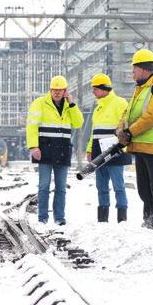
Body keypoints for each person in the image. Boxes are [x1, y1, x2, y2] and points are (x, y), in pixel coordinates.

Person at [117, 49, 153, 234]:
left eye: (134, 68)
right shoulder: (140, 90)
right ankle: (150, 221)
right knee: (144, 189)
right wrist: (121, 128)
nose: (132, 72)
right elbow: (129, 113)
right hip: (139, 145)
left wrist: (130, 131)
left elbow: (152, 116)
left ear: (142, 68)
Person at [25, 75, 84, 225]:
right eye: (54, 90)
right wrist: (33, 146)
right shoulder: (39, 103)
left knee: (61, 187)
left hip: (63, 150)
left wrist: (72, 104)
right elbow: (32, 126)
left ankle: (59, 218)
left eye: (60, 90)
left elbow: (78, 123)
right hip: (44, 150)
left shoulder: (69, 106)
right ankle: (42, 218)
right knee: (44, 186)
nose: (57, 93)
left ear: (65, 91)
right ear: (50, 90)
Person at [86, 73, 131, 223]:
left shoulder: (120, 103)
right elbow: (95, 131)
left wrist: (123, 147)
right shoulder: (98, 107)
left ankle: (122, 219)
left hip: (115, 151)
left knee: (118, 185)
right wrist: (89, 149)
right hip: (99, 152)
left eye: (95, 89)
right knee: (101, 186)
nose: (93, 92)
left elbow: (125, 126)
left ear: (104, 89)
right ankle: (103, 219)